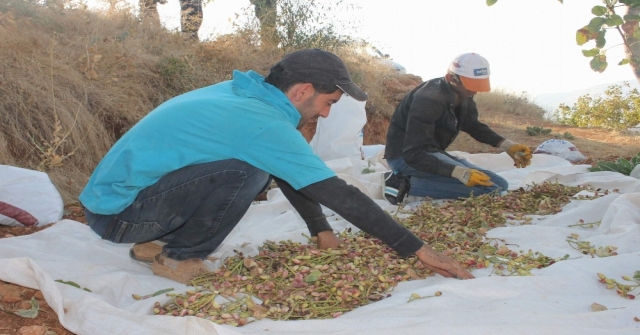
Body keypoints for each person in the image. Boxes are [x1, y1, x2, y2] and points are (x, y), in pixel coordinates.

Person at [80, 49, 474, 283]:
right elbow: (335, 191)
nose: (326, 111)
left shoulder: (243, 95)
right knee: (246, 172)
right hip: (121, 216)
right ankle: (179, 257)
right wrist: (417, 249)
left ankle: (159, 243)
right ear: (303, 91)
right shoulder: (262, 122)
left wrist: (320, 230)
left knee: (255, 165)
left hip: (117, 204)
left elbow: (289, 169)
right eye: (329, 102)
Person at [383, 53, 532, 204]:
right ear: (450, 79)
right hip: (405, 158)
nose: (474, 92)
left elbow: (472, 125)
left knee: (501, 185)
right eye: (470, 87)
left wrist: (507, 145)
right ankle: (406, 183)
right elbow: (413, 154)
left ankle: (425, 181)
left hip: (430, 153)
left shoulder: (463, 94)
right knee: (490, 191)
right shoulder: (428, 100)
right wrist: (458, 172)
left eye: (477, 86)